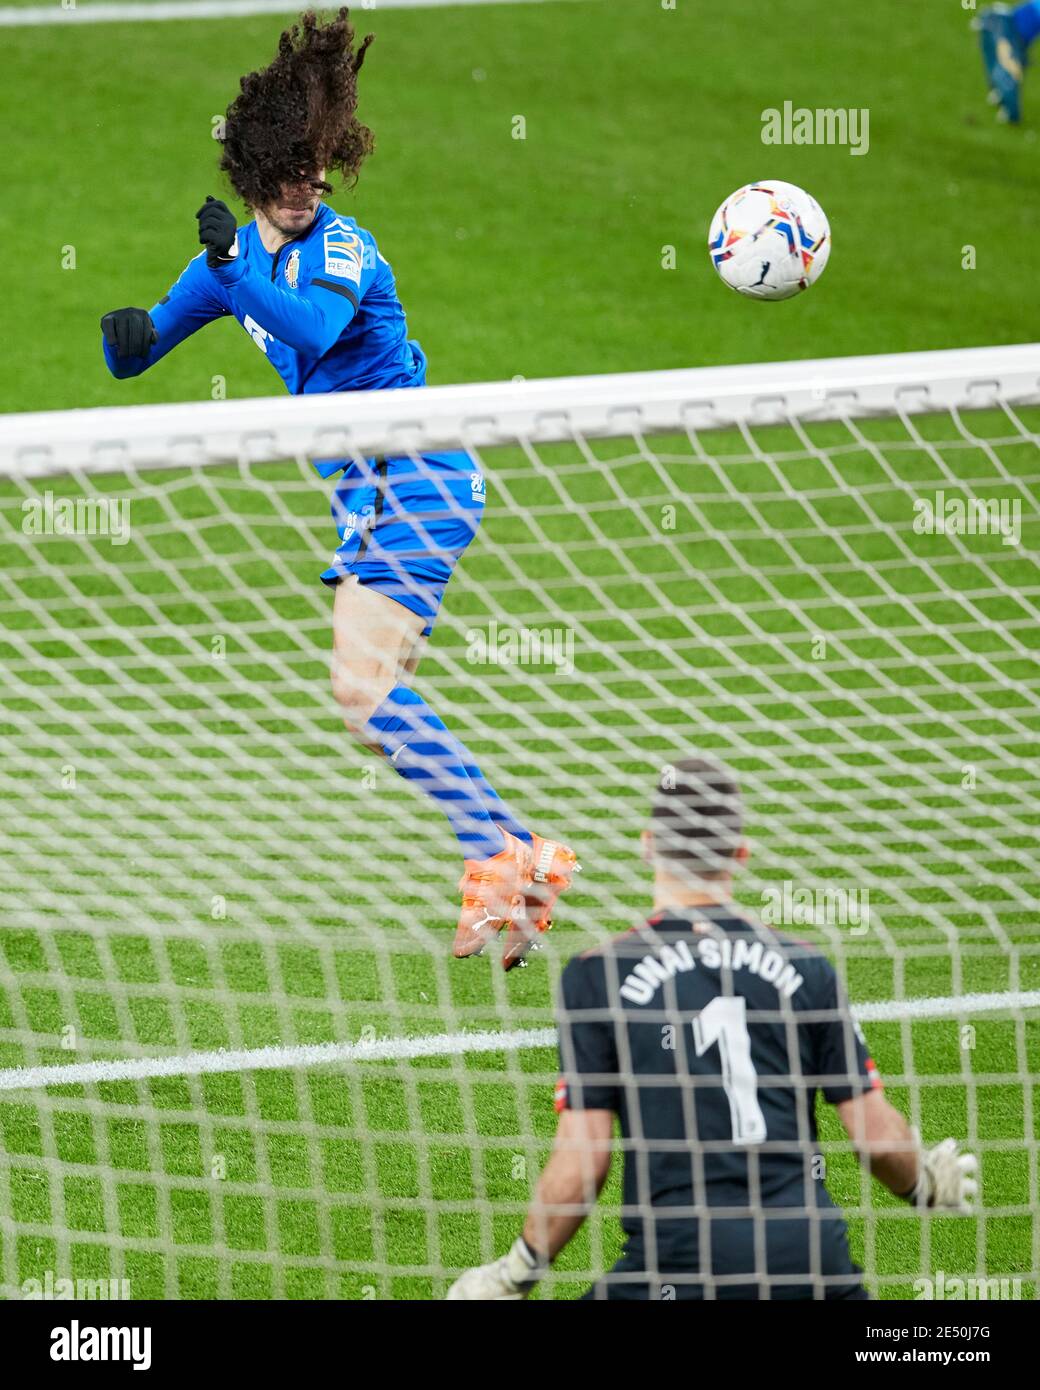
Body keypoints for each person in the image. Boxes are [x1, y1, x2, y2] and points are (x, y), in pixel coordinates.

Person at [98, 8, 577, 968]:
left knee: (360, 690)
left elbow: (312, 328)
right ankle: (524, 852)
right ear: (253, 172)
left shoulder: (344, 249)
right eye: (290, 169)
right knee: (371, 705)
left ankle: (494, 851)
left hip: (421, 472)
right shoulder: (227, 262)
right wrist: (132, 339)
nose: (307, 185)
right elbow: (143, 350)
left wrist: (233, 269)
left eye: (319, 165)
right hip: (369, 493)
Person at [447, 757, 977, 1299]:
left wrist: (514, 1274)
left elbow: (584, 1161)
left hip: (679, 1265)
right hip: (812, 1264)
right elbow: (878, 1138)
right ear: (740, 853)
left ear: (648, 844)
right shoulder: (805, 967)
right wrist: (925, 1185)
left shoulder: (599, 974)